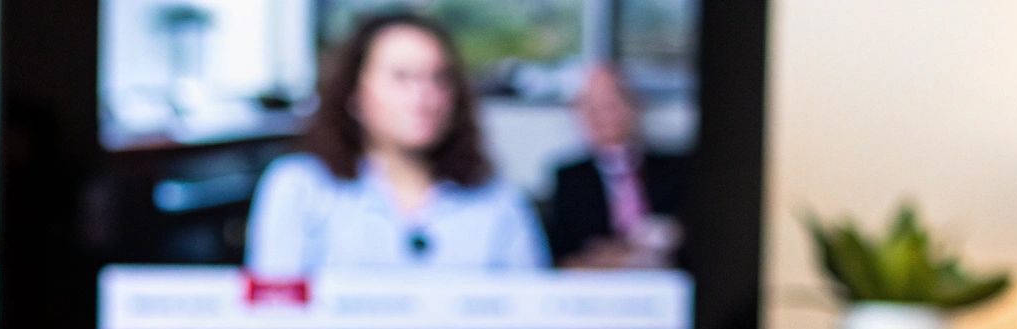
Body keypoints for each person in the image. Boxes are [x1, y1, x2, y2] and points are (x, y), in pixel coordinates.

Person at [245, 12, 549, 274]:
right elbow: (273, 318)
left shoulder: (498, 200)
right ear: (354, 95)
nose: (423, 98)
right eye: (401, 77)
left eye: (438, 79)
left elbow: (534, 321)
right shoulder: (300, 188)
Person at [547, 64, 686, 268]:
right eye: (591, 107)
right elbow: (561, 256)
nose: (603, 116)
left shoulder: (677, 169)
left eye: (611, 104)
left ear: (634, 106)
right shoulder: (569, 178)